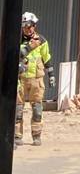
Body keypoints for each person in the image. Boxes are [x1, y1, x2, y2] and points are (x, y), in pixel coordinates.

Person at [16, 12, 54, 147]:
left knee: (37, 108)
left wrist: (51, 75)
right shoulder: (16, 39)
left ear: (35, 25)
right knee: (18, 109)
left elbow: (46, 58)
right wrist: (28, 48)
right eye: (26, 26)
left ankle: (36, 136)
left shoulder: (42, 40)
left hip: (36, 79)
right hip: (20, 79)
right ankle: (17, 136)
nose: (29, 29)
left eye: (31, 26)